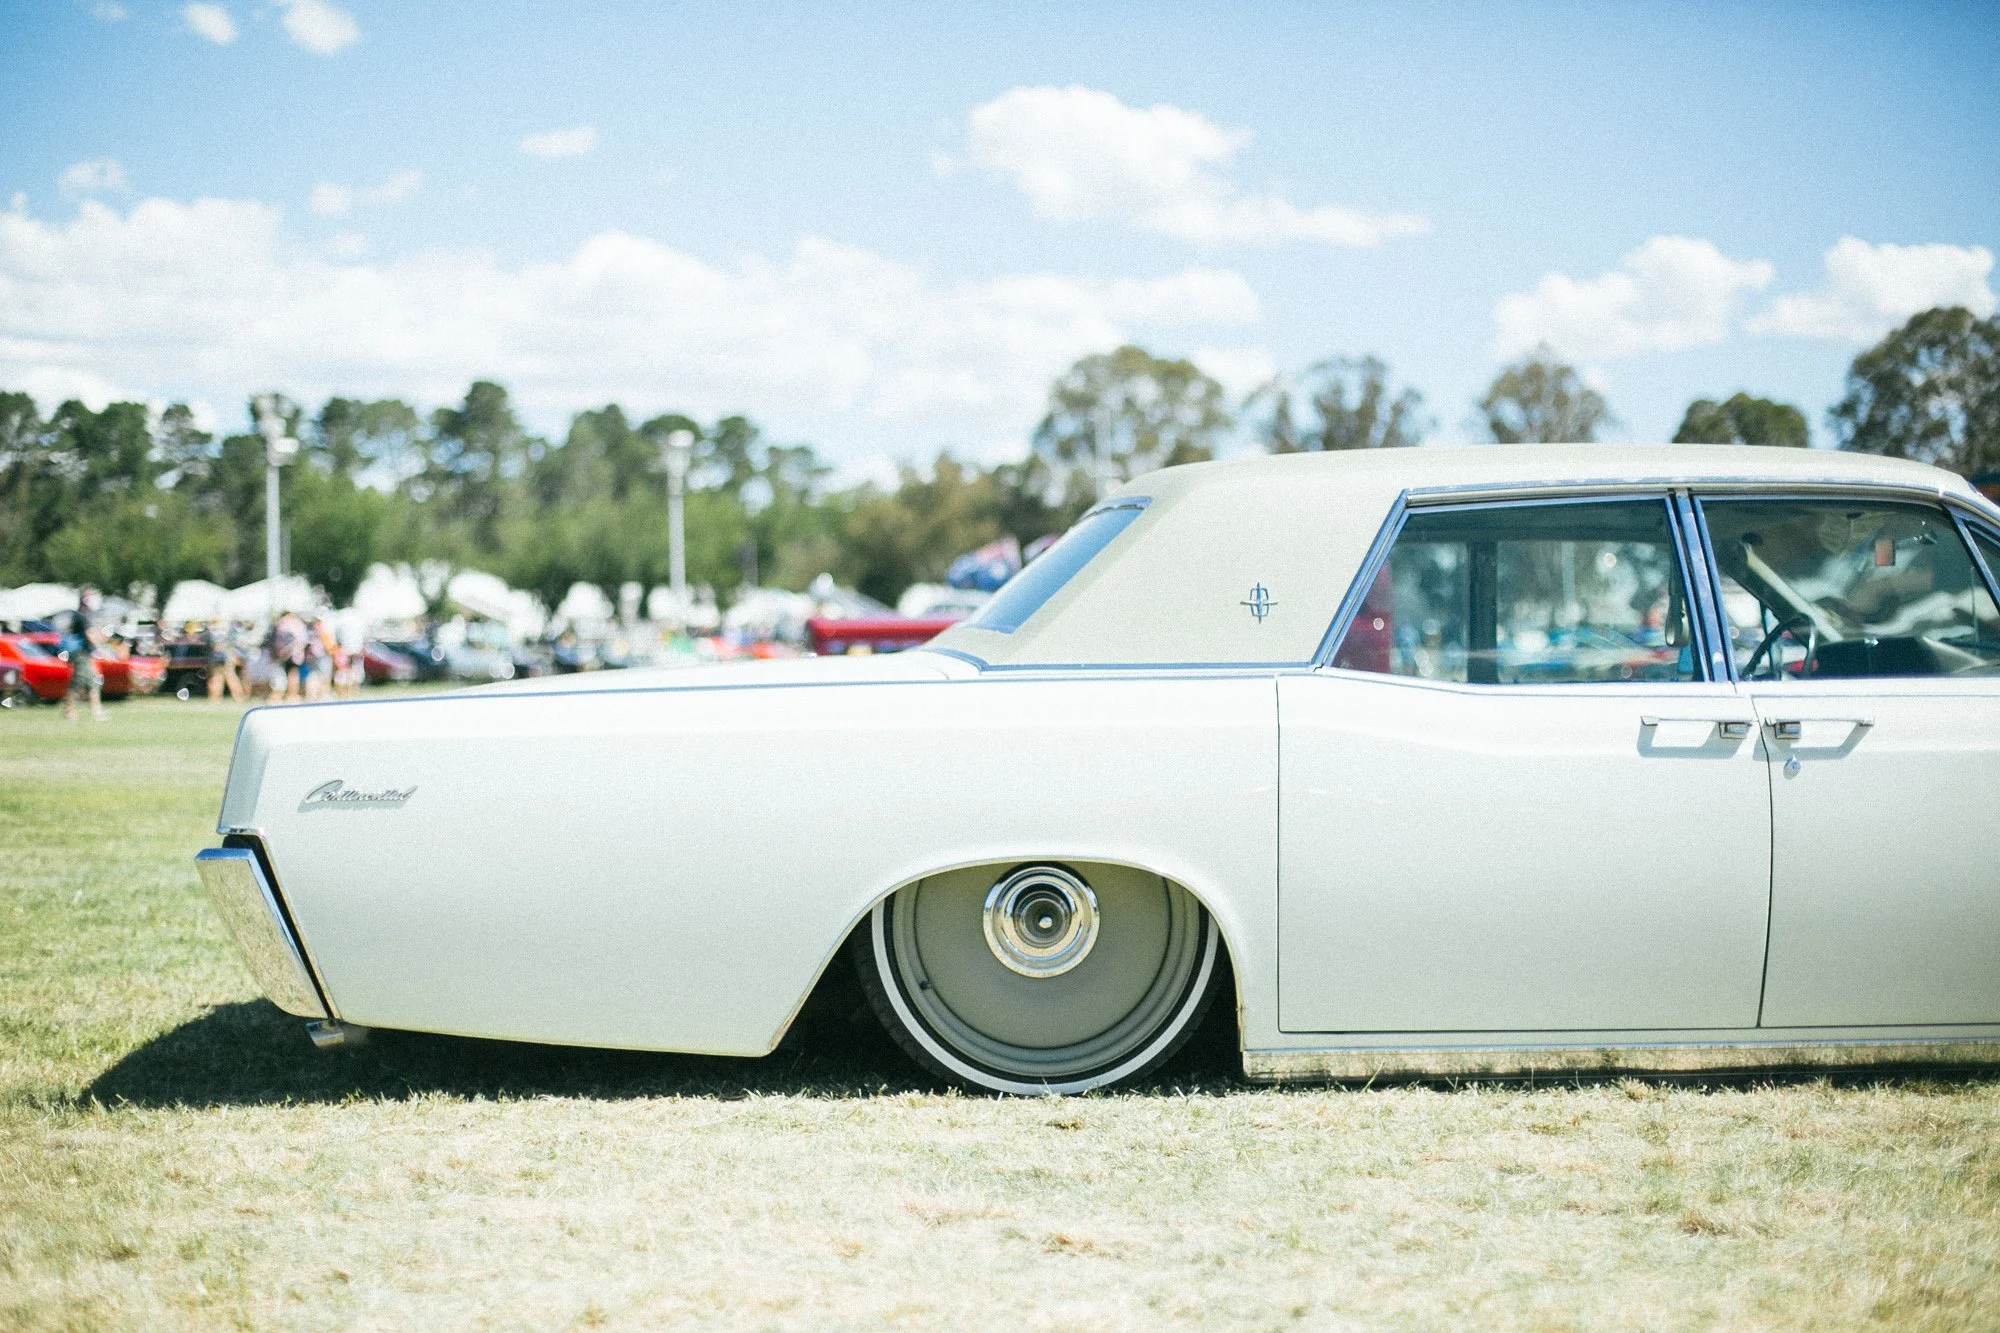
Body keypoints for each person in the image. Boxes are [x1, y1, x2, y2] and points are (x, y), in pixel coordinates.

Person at [56, 589, 108, 722]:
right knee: (80, 682)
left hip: (82, 654)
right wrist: (101, 650)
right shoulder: (82, 616)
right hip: (80, 654)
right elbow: (90, 635)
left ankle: (94, 710)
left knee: (91, 681)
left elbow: (93, 633)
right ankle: (71, 710)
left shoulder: (82, 615)